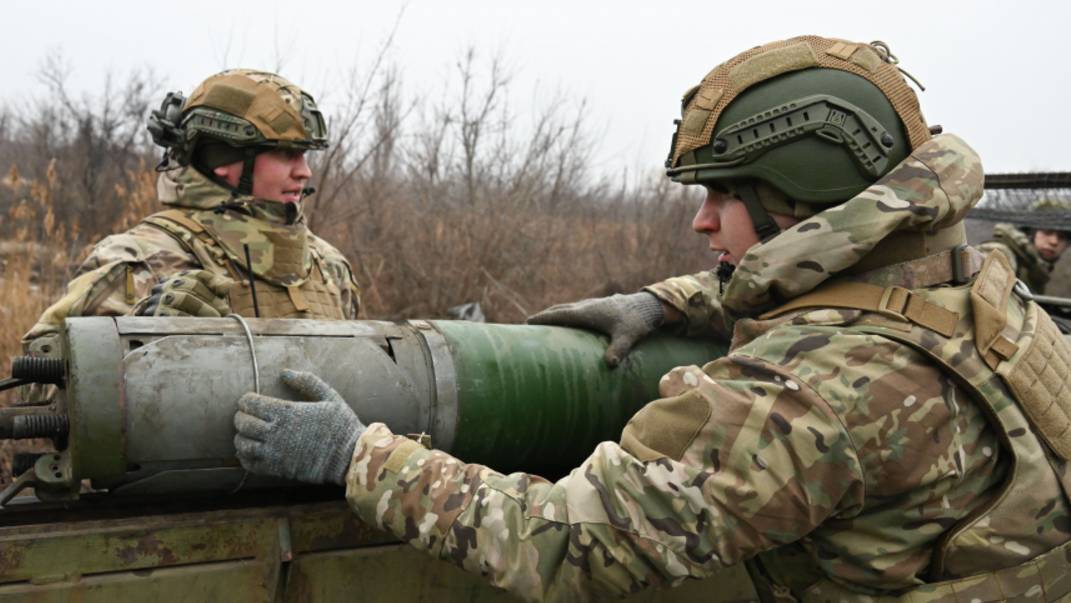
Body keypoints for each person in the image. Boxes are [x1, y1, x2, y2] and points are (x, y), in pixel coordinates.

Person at [233, 36, 1071, 601]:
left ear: (797, 206)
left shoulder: (801, 397)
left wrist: (357, 455)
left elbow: (560, 542)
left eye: (722, 196)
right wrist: (669, 300)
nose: (702, 223)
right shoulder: (982, 285)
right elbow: (855, 295)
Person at [22, 69, 360, 355]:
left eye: (305, 155)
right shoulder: (139, 259)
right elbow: (38, 386)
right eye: (287, 154)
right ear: (226, 160)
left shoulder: (327, 265)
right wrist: (141, 339)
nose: (304, 172)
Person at [977, 199, 1071, 294]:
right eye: (1047, 232)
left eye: (1062, 237)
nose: (1054, 241)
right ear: (1032, 232)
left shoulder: (1036, 268)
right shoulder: (1003, 253)